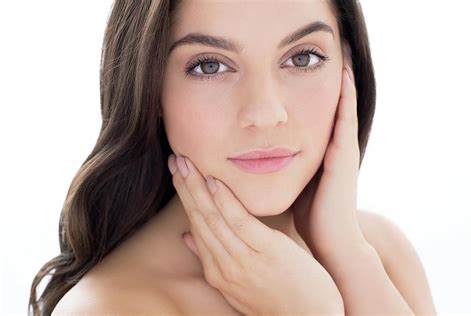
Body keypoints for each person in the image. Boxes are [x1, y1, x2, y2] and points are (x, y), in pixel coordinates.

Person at [29, 0, 437, 315]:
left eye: (303, 58)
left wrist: (348, 256)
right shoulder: (107, 308)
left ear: (348, 67)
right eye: (210, 66)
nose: (264, 113)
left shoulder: (379, 253)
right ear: (150, 87)